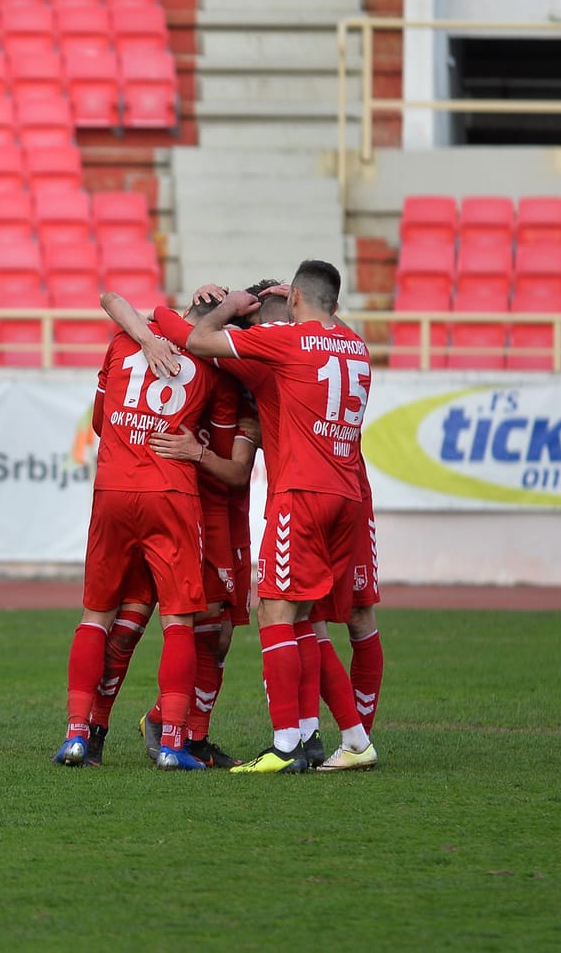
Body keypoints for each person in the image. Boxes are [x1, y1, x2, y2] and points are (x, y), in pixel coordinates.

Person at [154, 260, 377, 774]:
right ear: (334, 306)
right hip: (347, 495)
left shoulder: (286, 344)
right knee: (308, 621)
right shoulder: (356, 347)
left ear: (294, 300)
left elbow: (196, 340)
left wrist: (226, 307)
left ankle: (284, 747)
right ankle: (347, 738)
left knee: (273, 613)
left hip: (301, 494)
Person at [53, 293, 239, 771]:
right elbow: (221, 454)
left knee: (97, 616)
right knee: (178, 622)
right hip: (171, 496)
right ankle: (173, 742)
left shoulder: (121, 345)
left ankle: (78, 735)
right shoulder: (215, 372)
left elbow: (98, 421)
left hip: (113, 490)